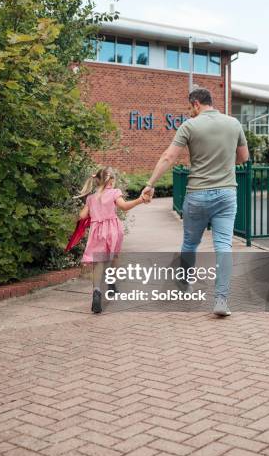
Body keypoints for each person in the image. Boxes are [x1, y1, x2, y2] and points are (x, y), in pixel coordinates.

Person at [141, 88, 249, 316]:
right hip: (226, 194)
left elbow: (168, 157)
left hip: (198, 194)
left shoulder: (189, 126)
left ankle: (185, 283)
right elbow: (243, 158)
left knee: (190, 243)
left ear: (196, 104)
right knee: (223, 246)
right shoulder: (233, 124)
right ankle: (221, 300)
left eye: (190, 108)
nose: (190, 112)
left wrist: (150, 184)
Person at [78, 166, 149, 314]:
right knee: (114, 255)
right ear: (111, 180)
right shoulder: (115, 193)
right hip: (113, 230)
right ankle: (111, 282)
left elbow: (82, 216)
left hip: (97, 232)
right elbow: (123, 207)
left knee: (98, 262)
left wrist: (90, 206)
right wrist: (140, 200)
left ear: (97, 180)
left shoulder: (91, 198)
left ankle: (97, 291)